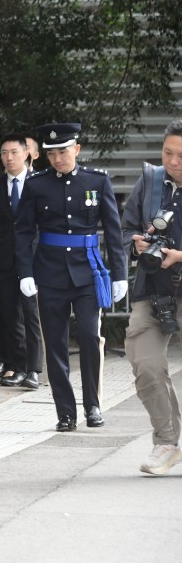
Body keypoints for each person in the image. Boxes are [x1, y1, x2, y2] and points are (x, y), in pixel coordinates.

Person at [15, 122, 128, 432]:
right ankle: (65, 412)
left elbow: (114, 231)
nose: (57, 159)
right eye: (51, 154)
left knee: (91, 337)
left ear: (76, 149)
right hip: (49, 273)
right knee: (55, 344)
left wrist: (119, 274)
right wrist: (25, 272)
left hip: (87, 272)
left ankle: (92, 405)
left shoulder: (97, 181)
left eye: (63, 152)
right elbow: (24, 231)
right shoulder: (36, 184)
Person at [121, 118, 182, 474]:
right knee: (145, 364)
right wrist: (137, 243)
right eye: (167, 153)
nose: (173, 161)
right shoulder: (151, 180)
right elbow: (126, 228)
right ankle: (167, 442)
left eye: (181, 156)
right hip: (154, 289)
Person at [0, 133, 43, 389]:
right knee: (8, 316)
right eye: (4, 153)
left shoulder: (39, 183)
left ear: (26, 154)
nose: (8, 158)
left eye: (14, 152)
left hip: (32, 260)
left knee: (31, 315)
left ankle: (34, 369)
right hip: (3, 261)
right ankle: (14, 366)